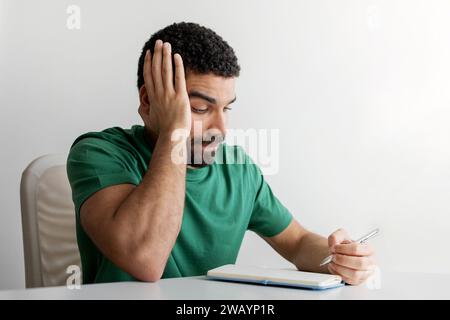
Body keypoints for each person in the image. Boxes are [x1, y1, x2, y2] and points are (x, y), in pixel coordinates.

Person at [67, 22, 376, 284]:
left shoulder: (238, 169)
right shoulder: (98, 153)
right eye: (200, 108)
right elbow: (144, 259)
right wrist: (176, 129)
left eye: (226, 108)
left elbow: (296, 242)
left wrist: (338, 258)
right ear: (148, 102)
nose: (222, 129)